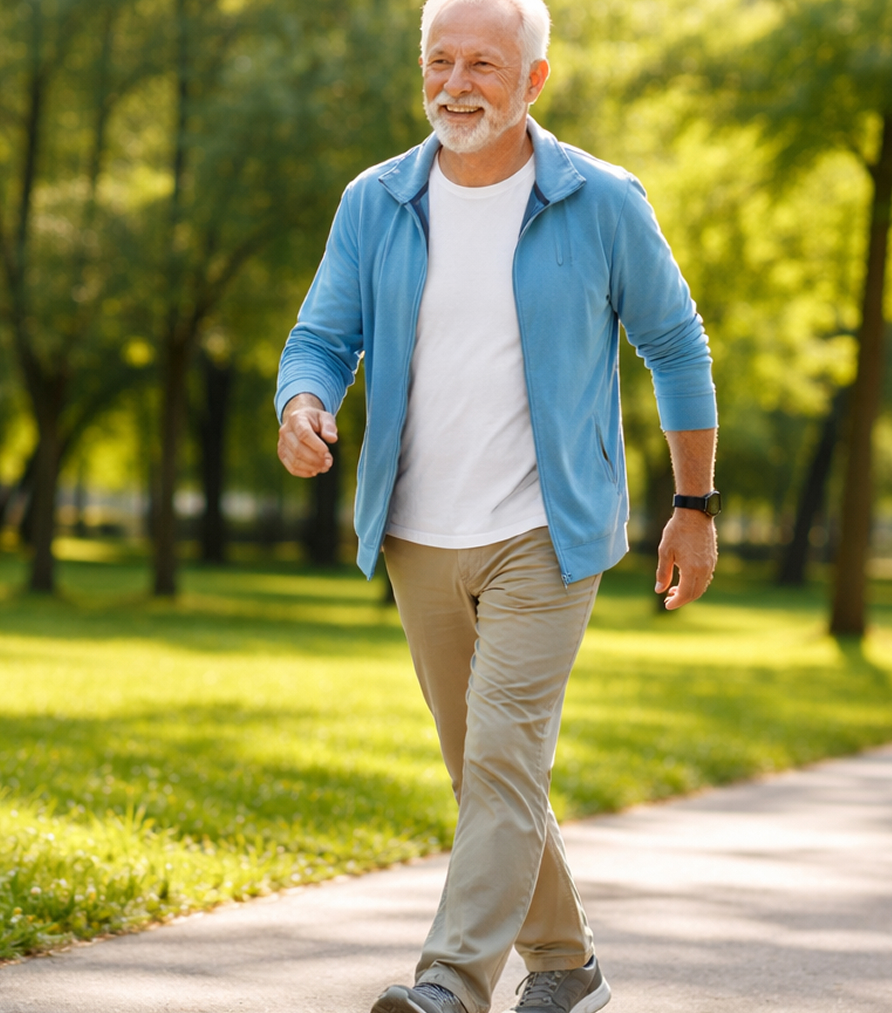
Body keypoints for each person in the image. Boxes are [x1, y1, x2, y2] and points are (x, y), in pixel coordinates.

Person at [273, 0, 720, 1010]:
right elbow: (319, 334)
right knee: (483, 773)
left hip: (546, 531)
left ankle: (449, 984)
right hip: (418, 530)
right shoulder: (376, 200)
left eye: (483, 61)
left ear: (534, 78)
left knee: (506, 748)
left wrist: (694, 502)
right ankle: (569, 966)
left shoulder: (600, 201)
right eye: (439, 60)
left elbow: (677, 347)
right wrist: (302, 401)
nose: (456, 82)